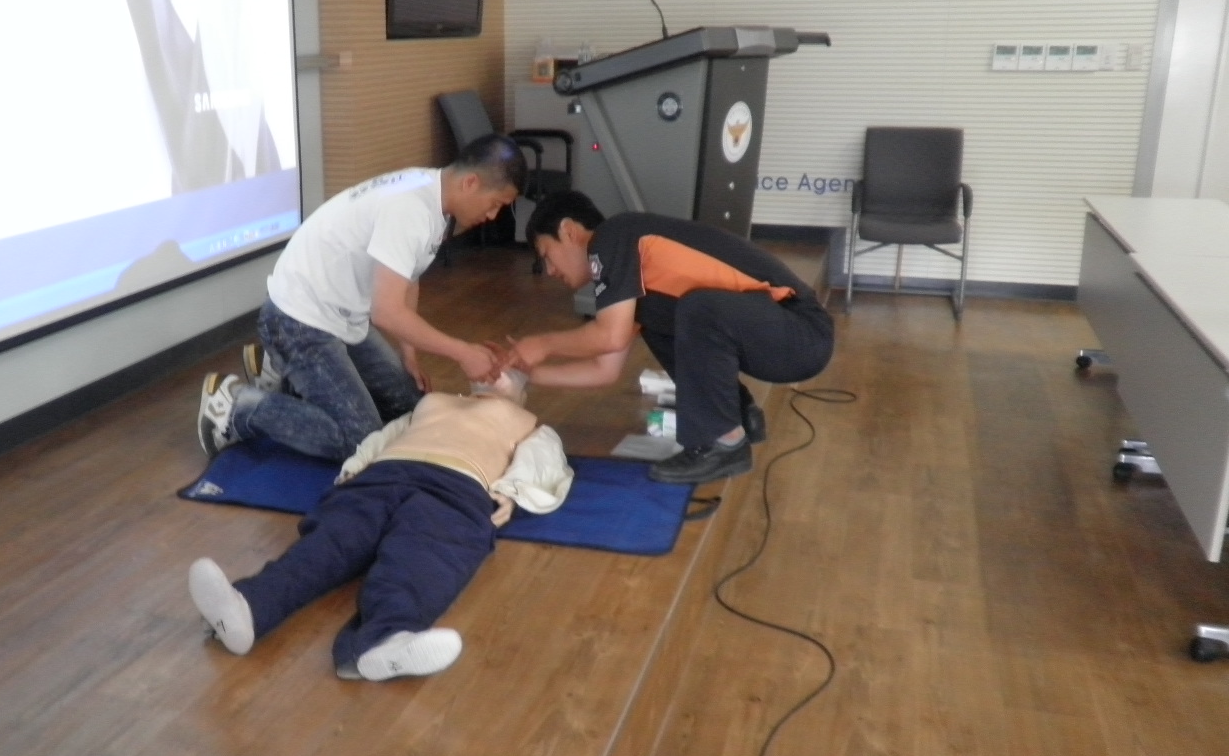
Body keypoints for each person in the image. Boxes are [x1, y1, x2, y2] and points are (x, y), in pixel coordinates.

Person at [188, 371, 571, 680]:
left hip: (459, 488)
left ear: (523, 391)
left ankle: (384, 639)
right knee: (328, 544)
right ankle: (247, 608)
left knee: (426, 556)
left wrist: (515, 490)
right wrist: (357, 466)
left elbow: (545, 460)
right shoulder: (435, 402)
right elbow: (387, 435)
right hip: (384, 474)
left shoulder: (528, 423)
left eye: (506, 368)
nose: (492, 369)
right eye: (487, 360)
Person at [195, 134, 529, 463]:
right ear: (471, 183)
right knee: (360, 439)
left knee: (408, 408)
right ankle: (237, 406)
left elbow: (407, 278)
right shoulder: (411, 208)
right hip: (297, 321)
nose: (492, 216)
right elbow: (386, 313)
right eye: (495, 204)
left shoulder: (433, 197)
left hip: (343, 316)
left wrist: (408, 354)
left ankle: (279, 371)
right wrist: (462, 352)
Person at [508, 192, 833, 486]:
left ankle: (722, 442)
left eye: (546, 254)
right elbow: (603, 368)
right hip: (783, 336)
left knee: (698, 307)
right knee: (660, 319)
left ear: (569, 231)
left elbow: (609, 336)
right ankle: (739, 415)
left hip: (801, 332)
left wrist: (541, 344)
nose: (549, 271)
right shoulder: (632, 272)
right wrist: (525, 374)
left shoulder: (612, 236)